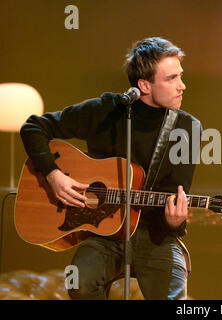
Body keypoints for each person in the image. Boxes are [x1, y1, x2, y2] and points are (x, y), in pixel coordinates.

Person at [20, 37, 202, 299]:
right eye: (171, 78)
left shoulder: (187, 128)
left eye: (180, 76)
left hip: (156, 235)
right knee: (78, 282)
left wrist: (175, 222)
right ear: (144, 86)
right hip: (103, 235)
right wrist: (53, 174)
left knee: (174, 295)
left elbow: (175, 195)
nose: (182, 86)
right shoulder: (107, 111)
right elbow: (33, 127)